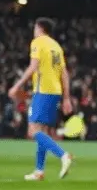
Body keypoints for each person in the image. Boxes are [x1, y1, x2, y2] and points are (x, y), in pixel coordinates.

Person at [8, 17, 73, 181]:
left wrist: (17, 86)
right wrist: (66, 98)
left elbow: (33, 66)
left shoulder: (38, 42)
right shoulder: (56, 47)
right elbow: (64, 74)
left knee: (33, 131)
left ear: (39, 28)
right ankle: (39, 171)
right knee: (43, 131)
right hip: (55, 91)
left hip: (43, 90)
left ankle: (63, 155)